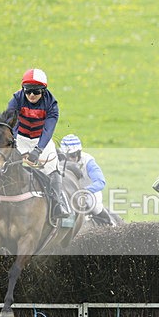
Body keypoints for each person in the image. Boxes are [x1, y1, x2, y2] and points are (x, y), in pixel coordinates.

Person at [7, 68, 71, 218]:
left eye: (36, 91)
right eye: (28, 91)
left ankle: (57, 205)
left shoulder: (52, 104)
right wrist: (15, 143)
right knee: (6, 164)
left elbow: (48, 130)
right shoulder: (16, 99)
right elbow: (12, 123)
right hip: (20, 137)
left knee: (53, 168)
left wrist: (38, 150)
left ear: (43, 90)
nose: (31, 95)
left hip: (41, 139)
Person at [59, 134, 117, 226]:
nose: (70, 159)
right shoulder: (60, 162)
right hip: (68, 193)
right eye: (67, 156)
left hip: (89, 193)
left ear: (79, 153)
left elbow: (100, 182)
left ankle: (110, 225)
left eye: (73, 155)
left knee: (95, 206)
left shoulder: (88, 162)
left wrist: (85, 190)